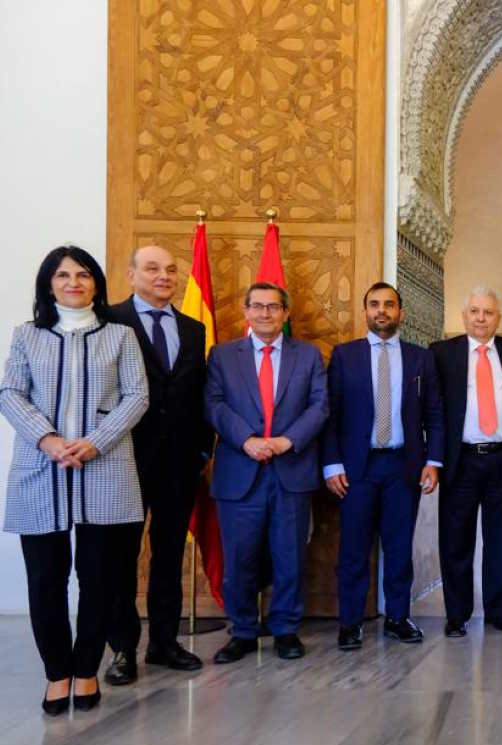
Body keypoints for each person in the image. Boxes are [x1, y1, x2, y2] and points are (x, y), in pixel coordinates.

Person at [0, 245, 149, 714]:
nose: (74, 283)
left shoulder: (120, 336)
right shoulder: (27, 336)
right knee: (45, 580)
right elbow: (9, 392)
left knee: (99, 579)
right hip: (41, 468)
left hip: (103, 467)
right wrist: (47, 440)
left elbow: (137, 395)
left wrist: (95, 441)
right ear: (49, 284)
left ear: (97, 285)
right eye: (63, 275)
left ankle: (86, 671)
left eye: (83, 275)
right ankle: (56, 674)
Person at [102, 245, 212, 686]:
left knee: (169, 555)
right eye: (152, 268)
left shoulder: (193, 327)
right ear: (131, 275)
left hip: (179, 465)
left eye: (170, 269)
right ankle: (122, 649)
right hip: (123, 461)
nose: (164, 276)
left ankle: (164, 642)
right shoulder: (109, 321)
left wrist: (203, 450)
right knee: (120, 559)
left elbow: (199, 394)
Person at [205, 282, 328, 663]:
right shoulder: (223, 356)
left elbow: (320, 406)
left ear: (285, 314)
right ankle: (242, 630)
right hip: (240, 471)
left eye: (273, 307)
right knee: (239, 558)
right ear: (245, 312)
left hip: (290, 469)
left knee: (289, 555)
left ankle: (285, 629)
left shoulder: (307, 356)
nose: (265, 314)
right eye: (257, 307)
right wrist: (247, 440)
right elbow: (214, 404)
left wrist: (286, 441)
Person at [321, 282, 444, 651]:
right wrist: (331, 464)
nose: (382, 311)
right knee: (354, 549)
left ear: (400, 313)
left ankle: (397, 617)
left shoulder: (421, 358)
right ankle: (350, 622)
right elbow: (330, 415)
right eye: (374, 304)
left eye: (389, 304)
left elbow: (435, 414)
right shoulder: (345, 356)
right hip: (357, 468)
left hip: (402, 467)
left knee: (399, 547)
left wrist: (433, 461)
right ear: (365, 312)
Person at [430, 289, 502, 637]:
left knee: (500, 540)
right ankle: (456, 616)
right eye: (474, 310)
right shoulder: (442, 354)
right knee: (456, 540)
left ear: (498, 318)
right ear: (464, 315)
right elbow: (433, 409)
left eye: (488, 312)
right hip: (461, 460)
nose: (481, 317)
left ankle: (498, 613)